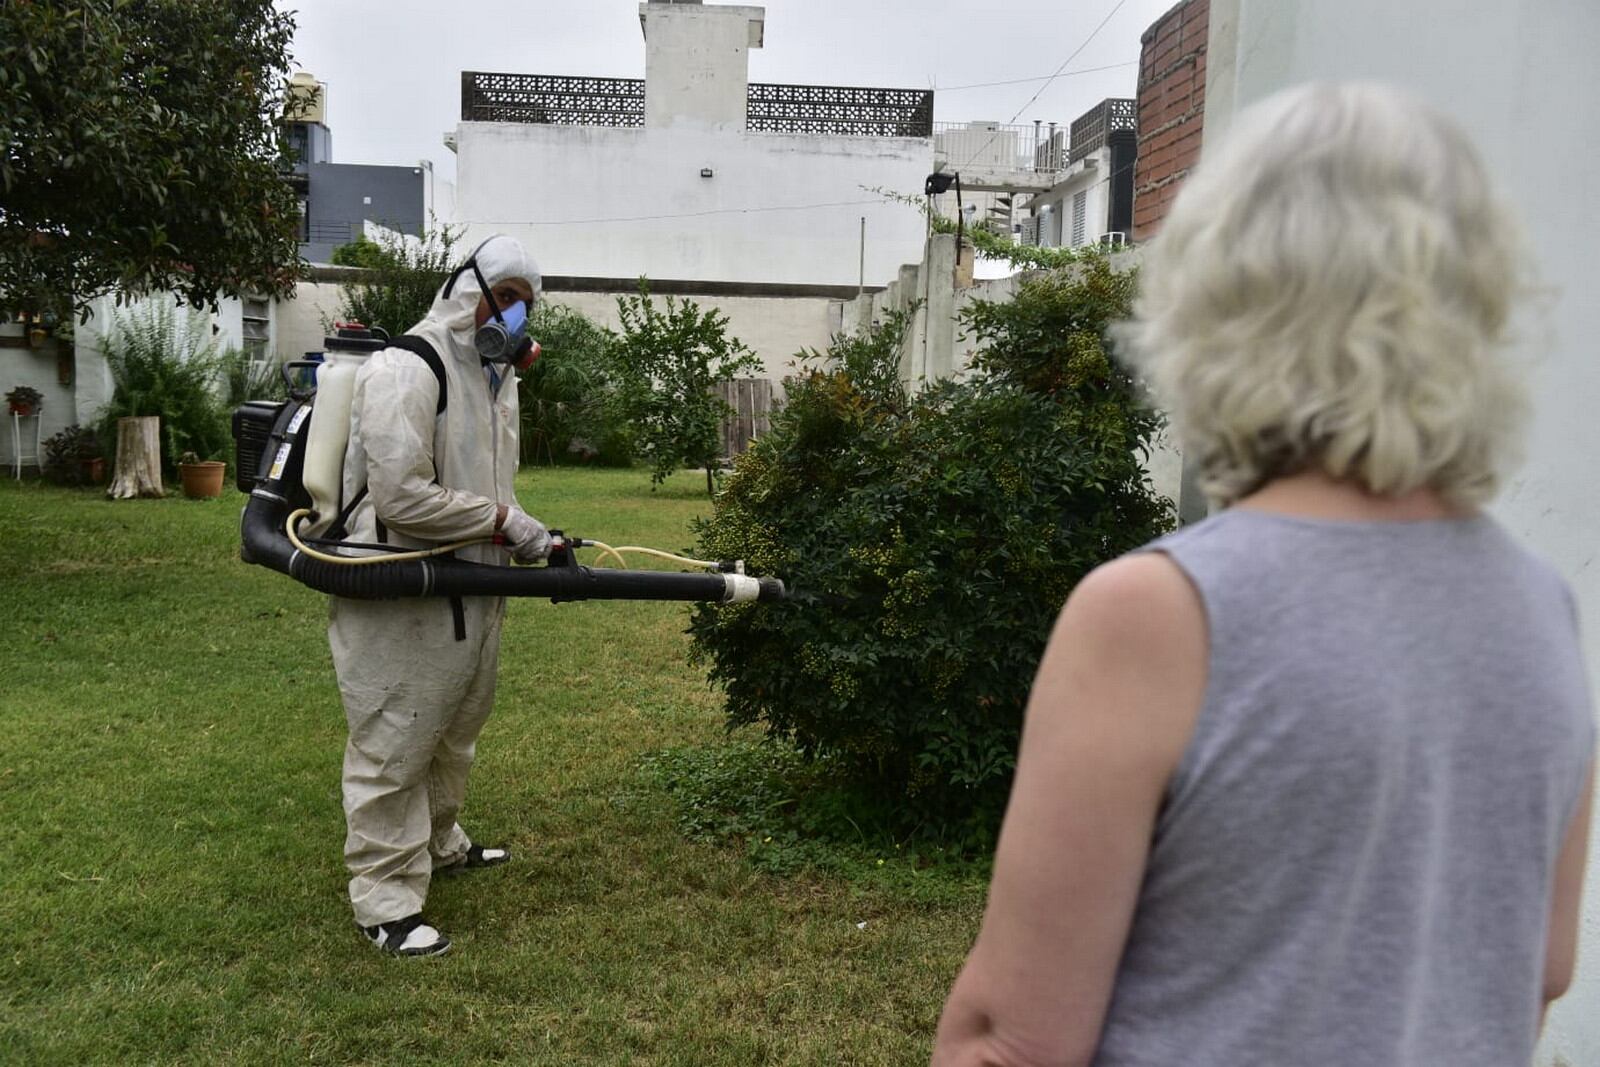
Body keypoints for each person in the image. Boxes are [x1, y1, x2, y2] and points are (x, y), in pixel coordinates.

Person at [930, 83, 1595, 1066]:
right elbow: (1535, 972)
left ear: (1213, 302)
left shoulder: (1156, 614)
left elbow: (1012, 1042)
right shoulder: (1545, 609)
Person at [330, 234, 551, 957]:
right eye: (507, 296)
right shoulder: (408, 367)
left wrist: (522, 528)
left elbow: (491, 484)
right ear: (468, 288)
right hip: (407, 586)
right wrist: (500, 522)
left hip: (476, 584)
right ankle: (386, 899)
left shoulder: (493, 380)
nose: (515, 316)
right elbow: (401, 496)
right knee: (398, 734)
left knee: (456, 727)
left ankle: (439, 838)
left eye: (526, 304)